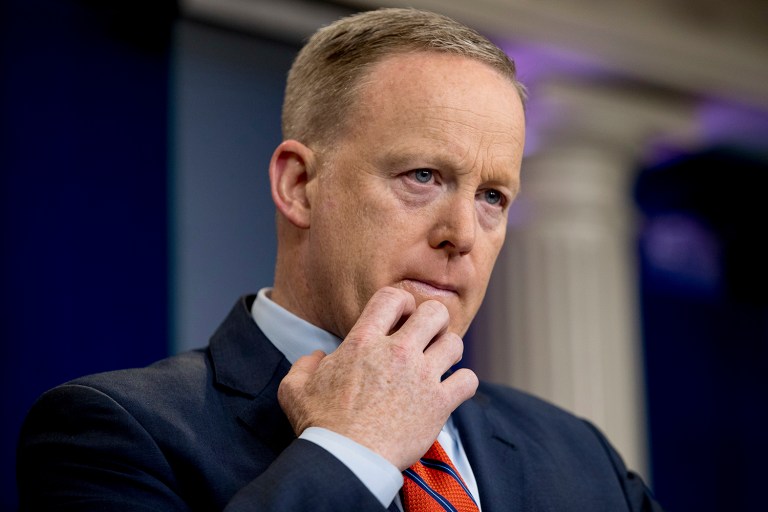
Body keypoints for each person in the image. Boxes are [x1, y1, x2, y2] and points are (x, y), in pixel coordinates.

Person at [17, 7, 663, 511]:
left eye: (492, 196)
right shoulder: (114, 434)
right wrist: (352, 452)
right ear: (299, 185)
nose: (462, 234)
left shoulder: (584, 459)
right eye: (423, 176)